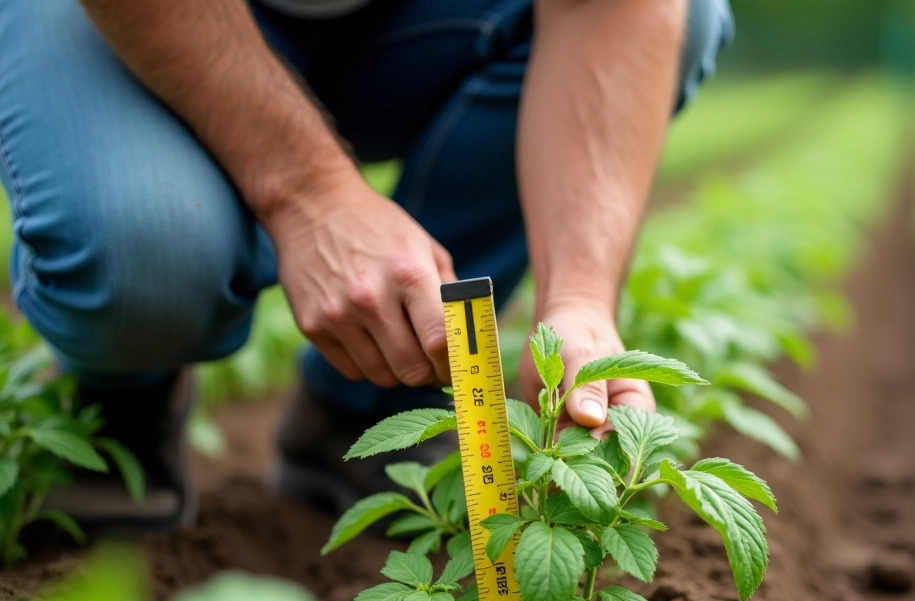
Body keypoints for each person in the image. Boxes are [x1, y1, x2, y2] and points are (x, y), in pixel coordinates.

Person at [0, 0, 733, 530]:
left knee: (686, 14)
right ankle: (118, 406)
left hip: (400, 21)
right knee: (149, 248)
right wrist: (308, 193)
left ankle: (364, 419)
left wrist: (578, 298)